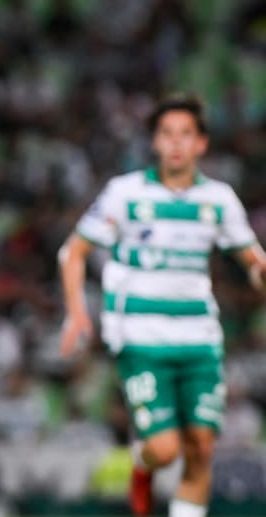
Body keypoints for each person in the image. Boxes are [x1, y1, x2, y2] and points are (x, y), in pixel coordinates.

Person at [59, 94, 266, 517]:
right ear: (154, 142)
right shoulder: (125, 193)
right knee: (165, 449)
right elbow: (73, 252)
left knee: (201, 447)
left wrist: (258, 271)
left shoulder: (219, 199)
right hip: (141, 335)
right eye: (167, 133)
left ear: (201, 144)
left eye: (185, 134)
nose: (175, 143)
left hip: (199, 336)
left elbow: (252, 260)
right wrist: (77, 312)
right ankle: (143, 462)